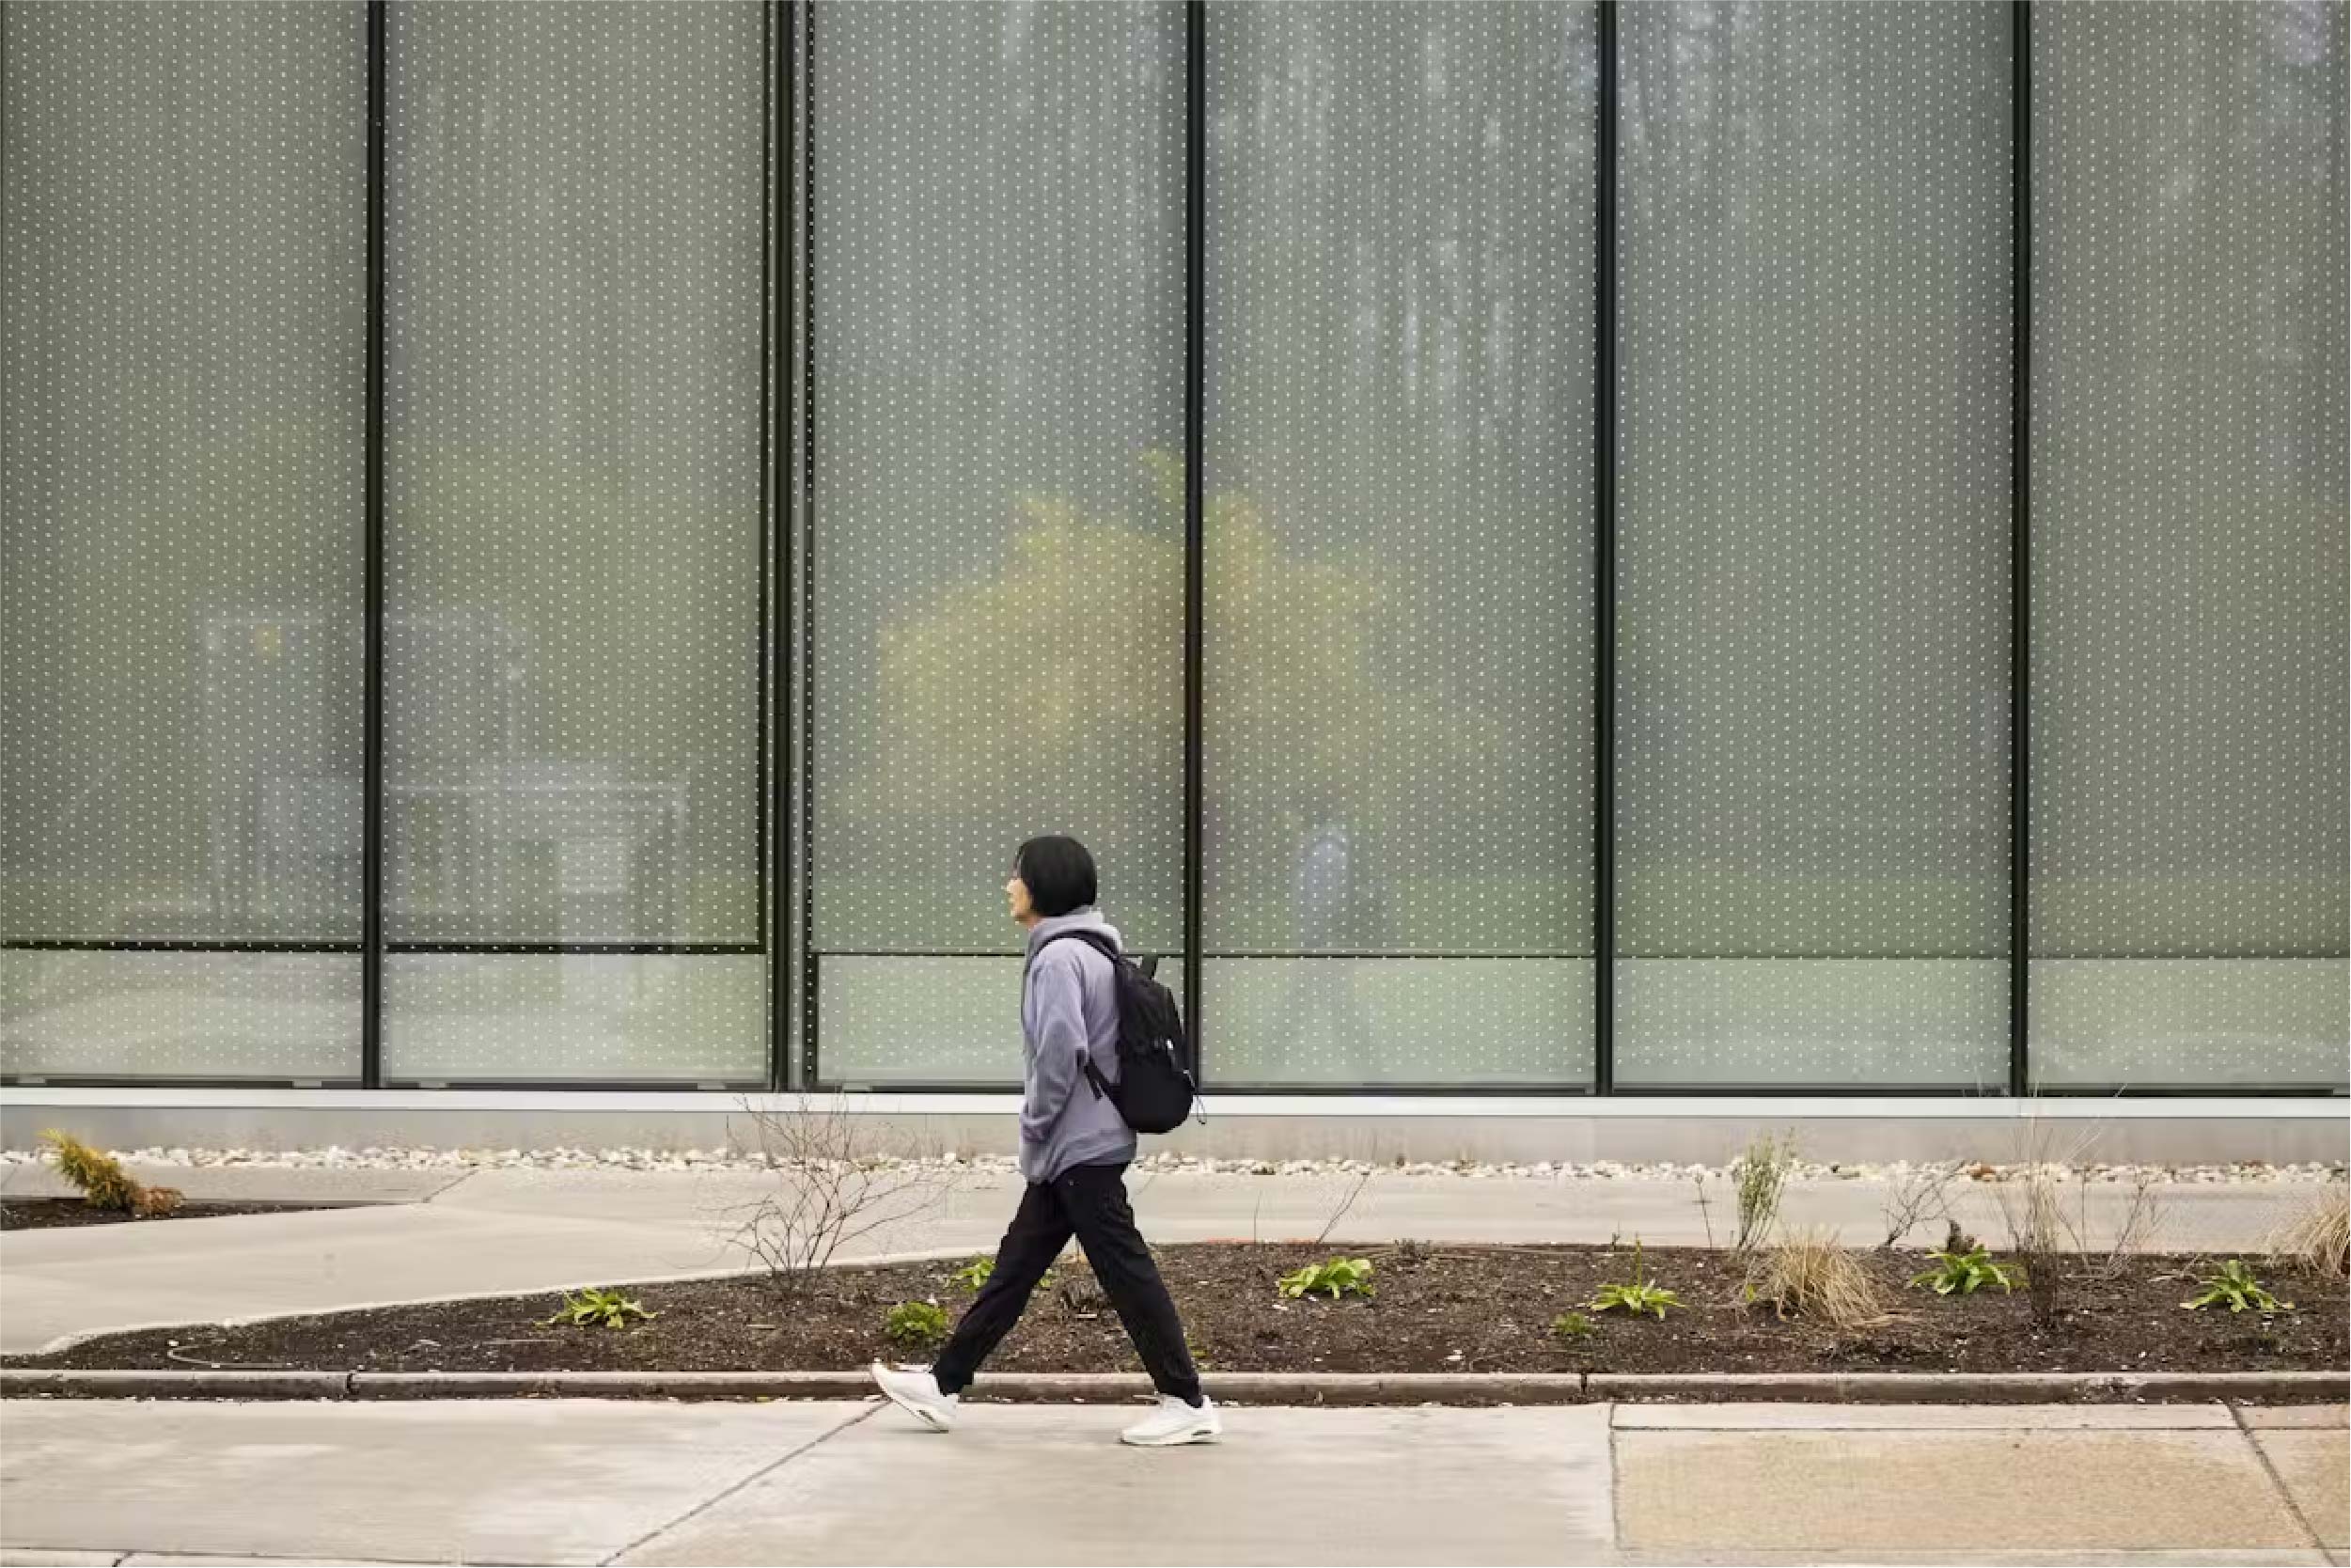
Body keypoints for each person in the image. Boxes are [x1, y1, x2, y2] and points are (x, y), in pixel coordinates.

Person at [870, 834, 1219, 1447]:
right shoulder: (1090, 950)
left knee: (1125, 1272)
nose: (1008, 884)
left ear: (1043, 887)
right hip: (1082, 1144)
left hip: (1078, 1145)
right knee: (1017, 1266)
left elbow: (1060, 1054)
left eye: (1016, 875)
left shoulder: (1059, 959)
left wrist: (1034, 1126)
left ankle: (1187, 1401)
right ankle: (944, 1382)